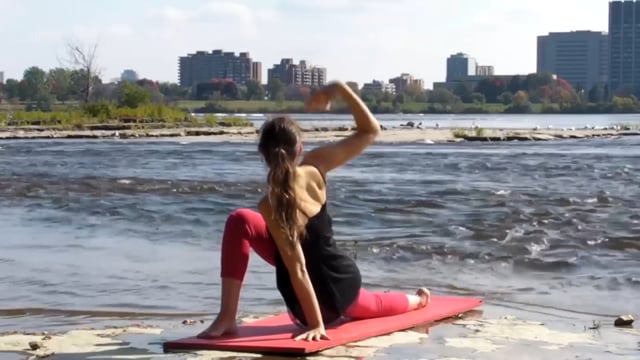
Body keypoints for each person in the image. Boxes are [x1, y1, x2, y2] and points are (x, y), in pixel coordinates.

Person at [197, 81, 430, 342]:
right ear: (299, 148)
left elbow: (297, 269)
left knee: (240, 220)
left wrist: (315, 323)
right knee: (371, 303)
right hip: (335, 284)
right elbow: (370, 131)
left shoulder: (269, 204)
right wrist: (340, 89)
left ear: (262, 154)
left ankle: (227, 316)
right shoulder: (315, 166)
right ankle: (419, 299)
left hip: (316, 295)